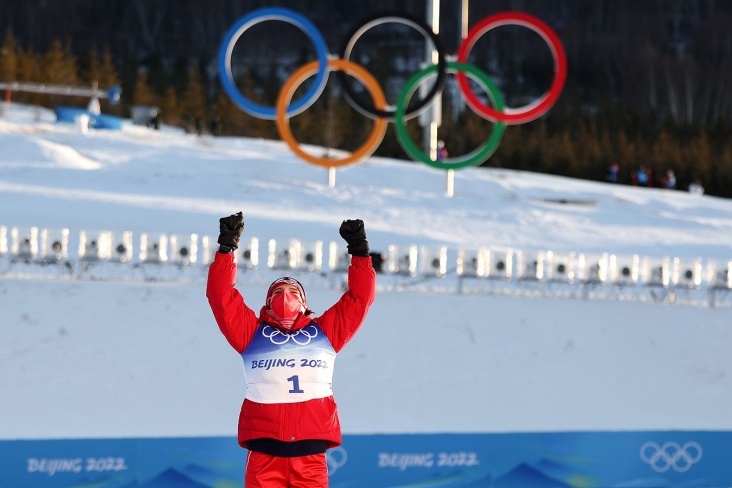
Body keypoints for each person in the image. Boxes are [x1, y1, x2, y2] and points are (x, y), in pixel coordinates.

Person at [206, 211, 376, 487]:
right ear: (267, 302)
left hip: (309, 458)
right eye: (277, 292)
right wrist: (226, 249)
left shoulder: (325, 333)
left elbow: (360, 299)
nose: (285, 297)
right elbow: (221, 297)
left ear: (304, 303)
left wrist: (360, 252)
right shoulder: (251, 333)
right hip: (265, 455)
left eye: (293, 292)